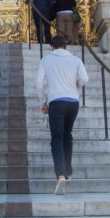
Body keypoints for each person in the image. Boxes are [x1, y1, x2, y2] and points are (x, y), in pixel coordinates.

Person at [36, 33, 88, 195]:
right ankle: (68, 171)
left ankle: (60, 174)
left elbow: (38, 83)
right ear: (66, 46)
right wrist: (75, 86)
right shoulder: (75, 59)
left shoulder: (46, 60)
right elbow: (85, 79)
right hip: (73, 101)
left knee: (57, 138)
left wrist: (43, 101)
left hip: (56, 101)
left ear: (51, 46)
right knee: (67, 135)